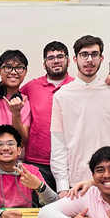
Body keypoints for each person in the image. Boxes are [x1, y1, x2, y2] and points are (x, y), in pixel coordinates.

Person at [50, 35, 110, 195]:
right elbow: (58, 145)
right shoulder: (62, 95)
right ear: (75, 58)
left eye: (94, 54)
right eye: (84, 54)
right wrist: (62, 187)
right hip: (76, 182)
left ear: (101, 58)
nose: (89, 60)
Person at [20, 41, 74, 192]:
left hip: (69, 162)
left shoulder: (77, 87)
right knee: (39, 209)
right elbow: (10, 100)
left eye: (60, 56)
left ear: (68, 61)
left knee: (68, 208)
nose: (56, 60)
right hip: (36, 162)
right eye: (50, 58)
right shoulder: (31, 86)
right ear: (44, 64)